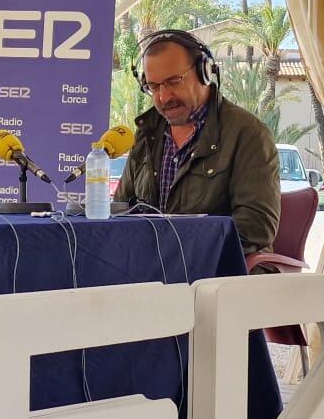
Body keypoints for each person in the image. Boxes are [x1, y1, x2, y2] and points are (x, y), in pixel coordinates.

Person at [115, 29, 281, 255]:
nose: (163, 97)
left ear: (205, 72)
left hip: (218, 274)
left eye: (174, 81)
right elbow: (120, 211)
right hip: (150, 270)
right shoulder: (147, 134)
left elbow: (256, 227)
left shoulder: (248, 134)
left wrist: (176, 252)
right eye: (153, 87)